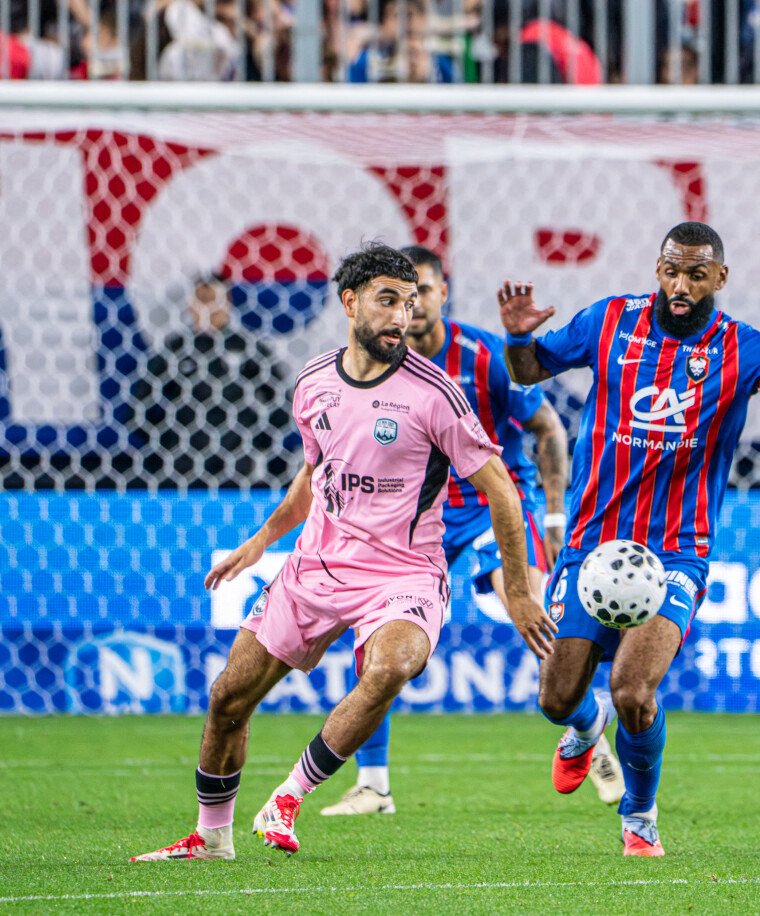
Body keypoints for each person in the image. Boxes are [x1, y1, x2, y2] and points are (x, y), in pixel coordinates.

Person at [131, 243, 557, 862]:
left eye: (410, 304)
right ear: (349, 302)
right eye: (388, 301)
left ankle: (289, 796)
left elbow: (502, 493)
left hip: (404, 573)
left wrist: (518, 593)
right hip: (316, 566)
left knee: (391, 666)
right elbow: (314, 477)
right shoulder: (311, 384)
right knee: (229, 698)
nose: (401, 318)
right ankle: (210, 837)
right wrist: (258, 544)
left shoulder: (435, 393)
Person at [499, 221, 760, 856]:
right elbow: (528, 371)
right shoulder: (609, 319)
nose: (680, 284)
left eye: (696, 274)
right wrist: (516, 335)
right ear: (658, 266)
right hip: (595, 544)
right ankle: (584, 730)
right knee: (557, 699)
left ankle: (639, 816)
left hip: (676, 553)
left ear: (719, 278)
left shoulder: (744, 348)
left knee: (635, 694)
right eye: (671, 269)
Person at [320, 245, 624, 816]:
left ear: (439, 294)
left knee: (530, 612)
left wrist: (554, 517)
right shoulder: (379, 359)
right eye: (404, 295)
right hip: (419, 514)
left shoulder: (482, 354)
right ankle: (374, 787)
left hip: (497, 500)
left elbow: (548, 429)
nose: (416, 304)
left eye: (425, 291)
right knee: (376, 637)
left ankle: (587, 725)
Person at [132, 272, 295, 489]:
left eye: (215, 299)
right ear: (190, 305)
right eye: (202, 299)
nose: (208, 308)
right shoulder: (176, 350)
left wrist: (257, 442)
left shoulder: (247, 348)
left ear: (227, 303)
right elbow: (141, 406)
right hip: (182, 469)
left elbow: (281, 403)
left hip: (236, 468)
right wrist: (167, 443)